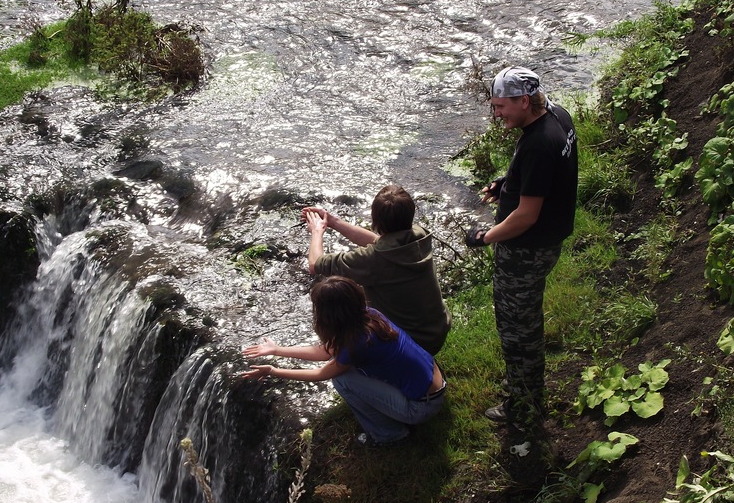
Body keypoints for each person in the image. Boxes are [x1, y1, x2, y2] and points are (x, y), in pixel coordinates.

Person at [466, 66, 578, 430]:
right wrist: (507, 183)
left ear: (524, 100)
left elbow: (526, 216)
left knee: (517, 326)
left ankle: (524, 402)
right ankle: (525, 385)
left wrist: (485, 236)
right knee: (525, 317)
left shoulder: (537, 144)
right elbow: (547, 176)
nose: (497, 114)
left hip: (527, 250)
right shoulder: (557, 116)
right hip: (548, 240)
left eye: (501, 107)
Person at [241, 276, 446, 446]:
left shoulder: (356, 344)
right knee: (351, 372)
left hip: (422, 407)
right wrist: (277, 350)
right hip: (435, 384)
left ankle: (389, 435)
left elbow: (320, 374)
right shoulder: (370, 316)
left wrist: (273, 371)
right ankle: (392, 420)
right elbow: (325, 352)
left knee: (342, 380)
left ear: (328, 315)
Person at [301, 184, 451, 356]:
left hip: (414, 343)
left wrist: (317, 231)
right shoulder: (419, 236)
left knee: (345, 372)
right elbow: (377, 241)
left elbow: (315, 264)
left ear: (375, 221)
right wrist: (333, 221)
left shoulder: (374, 260)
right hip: (436, 330)